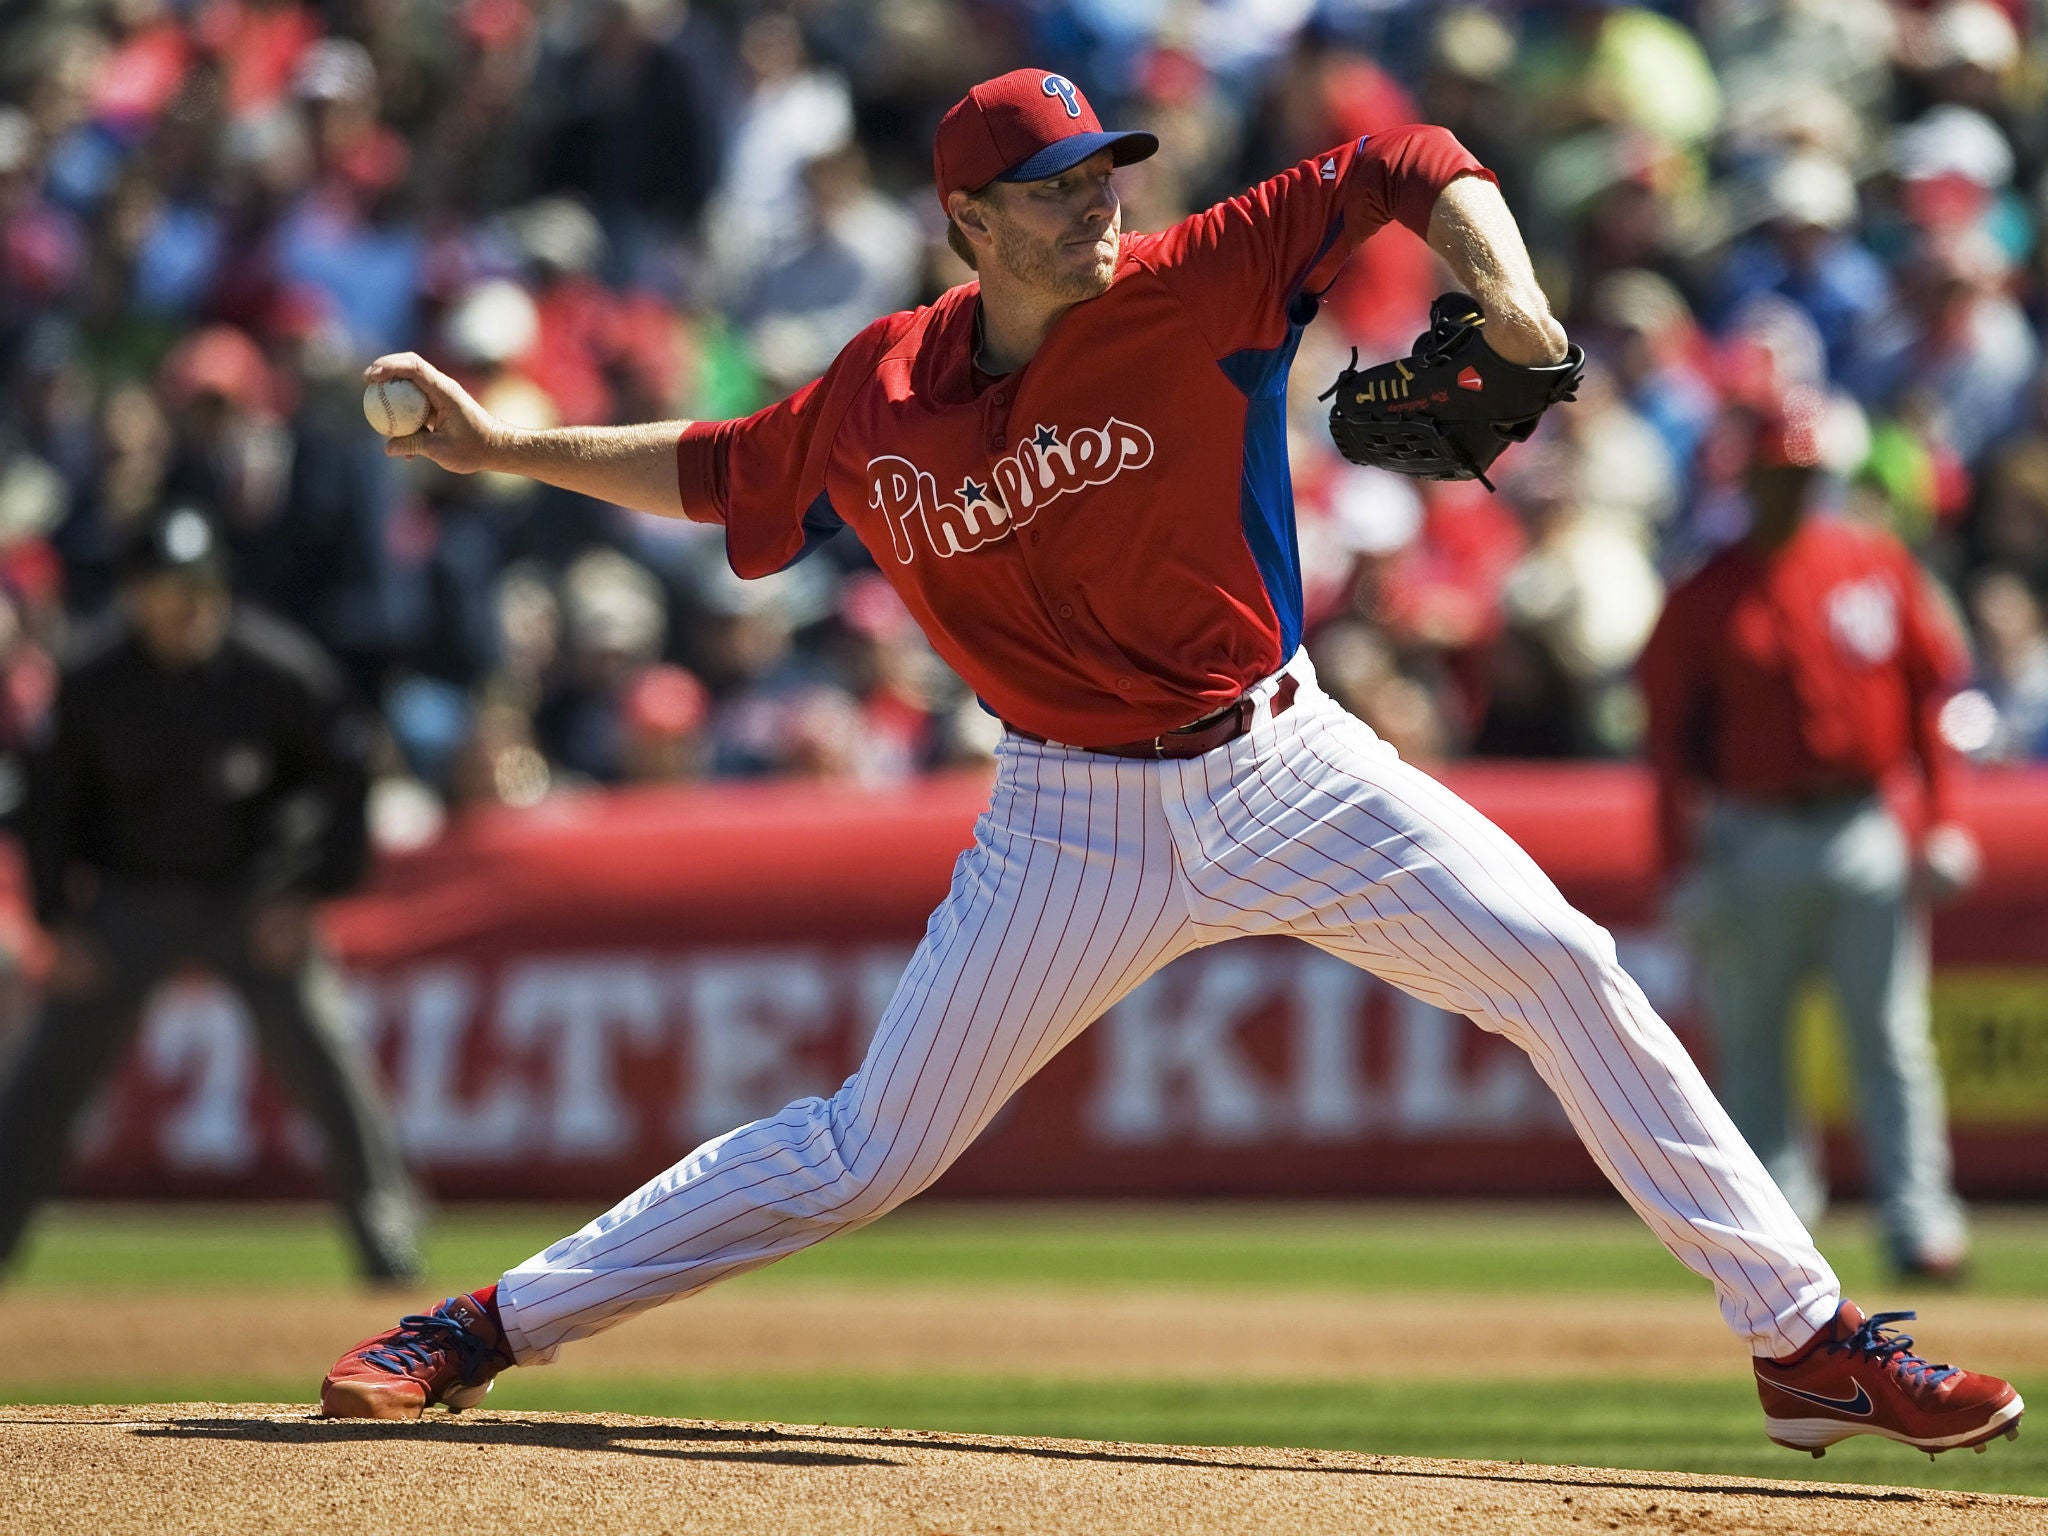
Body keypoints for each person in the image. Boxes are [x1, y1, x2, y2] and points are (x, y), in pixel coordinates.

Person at [320, 70, 2022, 1459]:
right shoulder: (876, 390)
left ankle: (1801, 1343)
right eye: (1054, 184)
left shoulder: (1195, 281)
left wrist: (1501, 281)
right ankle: (480, 1324)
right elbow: (716, 469)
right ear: (967, 221)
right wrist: (500, 446)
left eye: (1100, 168)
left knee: (1563, 967)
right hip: (1064, 818)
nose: (1096, 200)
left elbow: (1398, 158)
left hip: (1287, 763)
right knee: (865, 1153)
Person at [2, 503, 423, 1281]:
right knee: (44, 1077)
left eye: (197, 588)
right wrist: (58, 924)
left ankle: (387, 1243)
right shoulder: (94, 681)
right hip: (128, 902)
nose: (185, 606)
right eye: (167, 589)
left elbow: (347, 780)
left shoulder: (278, 669)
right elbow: (46, 807)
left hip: (251, 898)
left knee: (326, 1058)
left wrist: (305, 896)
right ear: (133, 595)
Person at [1639, 391, 1982, 1282]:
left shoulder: (1873, 564)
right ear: (1748, 480)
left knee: (1892, 1038)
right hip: (1752, 831)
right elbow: (1670, 742)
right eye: (1778, 476)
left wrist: (1942, 820)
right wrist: (1679, 863)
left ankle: (1921, 1222)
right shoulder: (1707, 593)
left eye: (1805, 476)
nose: (1793, 493)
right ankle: (1779, 1241)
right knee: (1754, 1043)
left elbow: (1928, 700)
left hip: (1863, 820)